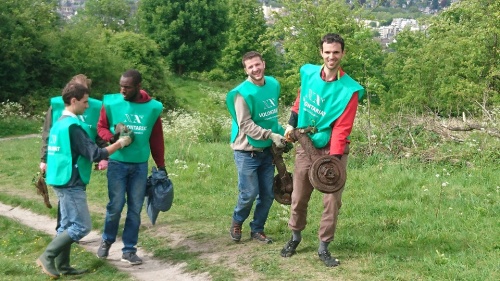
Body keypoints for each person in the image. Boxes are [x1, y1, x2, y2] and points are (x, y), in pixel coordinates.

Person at [280, 33, 365, 267]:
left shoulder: (350, 90)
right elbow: (300, 101)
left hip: (333, 148)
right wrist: (291, 123)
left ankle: (324, 246)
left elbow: (342, 128)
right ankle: (295, 237)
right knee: (298, 196)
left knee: (331, 200)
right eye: (327, 52)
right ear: (321, 52)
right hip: (306, 144)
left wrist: (332, 163)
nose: (331, 56)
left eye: (336, 52)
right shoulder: (308, 74)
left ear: (342, 54)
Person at [36, 83, 133, 279]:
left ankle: (63, 266)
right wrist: (120, 143)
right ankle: (47, 256)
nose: (88, 106)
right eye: (85, 102)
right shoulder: (73, 127)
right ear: (74, 101)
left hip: (60, 179)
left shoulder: (60, 123)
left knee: (65, 225)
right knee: (81, 226)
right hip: (71, 182)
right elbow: (96, 154)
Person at [96, 69, 166, 265]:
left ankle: (129, 250)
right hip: (117, 163)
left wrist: (161, 165)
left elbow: (156, 138)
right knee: (115, 206)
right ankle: (106, 240)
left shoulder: (153, 108)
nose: (122, 90)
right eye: (121, 86)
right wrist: (112, 137)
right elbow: (100, 126)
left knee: (135, 209)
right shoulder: (111, 103)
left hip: (140, 166)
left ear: (138, 86)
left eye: (127, 87)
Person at [226, 51, 286, 244]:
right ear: (246, 70)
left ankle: (257, 229)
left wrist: (284, 134)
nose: (255, 69)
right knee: (249, 193)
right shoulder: (242, 94)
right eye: (250, 66)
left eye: (257, 64)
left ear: (264, 64)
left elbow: (271, 117)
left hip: (266, 151)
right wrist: (271, 135)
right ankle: (237, 221)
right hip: (246, 151)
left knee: (268, 194)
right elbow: (245, 124)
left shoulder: (273, 84)